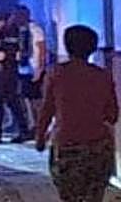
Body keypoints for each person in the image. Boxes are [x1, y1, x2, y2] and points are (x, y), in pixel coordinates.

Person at [36, 25, 118, 202]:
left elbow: (46, 110)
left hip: (66, 145)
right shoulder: (102, 76)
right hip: (98, 146)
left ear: (67, 46)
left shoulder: (56, 74)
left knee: (70, 197)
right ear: (92, 48)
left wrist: (40, 138)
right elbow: (112, 115)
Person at [0, 8, 30, 144]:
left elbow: (21, 52)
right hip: (1, 72)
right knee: (4, 103)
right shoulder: (4, 31)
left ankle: (11, 132)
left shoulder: (20, 32)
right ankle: (0, 133)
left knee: (10, 103)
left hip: (8, 72)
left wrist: (6, 56)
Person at [15, 6, 47, 128]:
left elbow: (42, 49)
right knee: (24, 98)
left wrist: (40, 68)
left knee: (35, 99)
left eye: (20, 15)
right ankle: (31, 123)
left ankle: (40, 124)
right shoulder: (17, 30)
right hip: (21, 68)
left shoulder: (35, 29)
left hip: (33, 68)